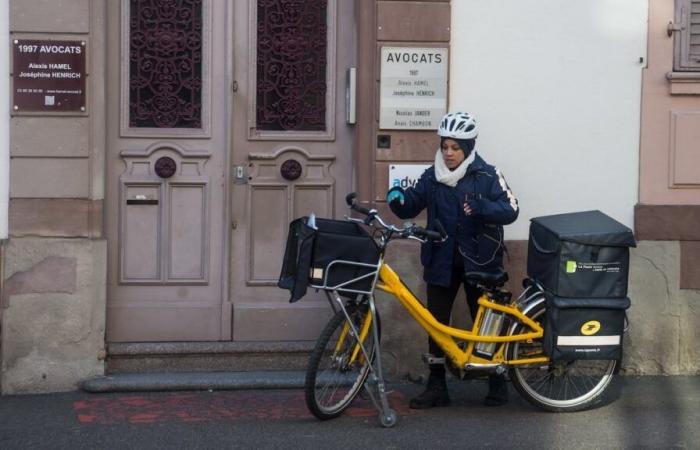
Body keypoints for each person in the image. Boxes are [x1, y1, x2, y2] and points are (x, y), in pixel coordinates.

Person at [386, 111, 519, 408]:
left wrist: (483, 206)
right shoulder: (432, 176)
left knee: (485, 322)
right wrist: (397, 198)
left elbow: (511, 209)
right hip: (441, 259)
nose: (448, 153)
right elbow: (410, 206)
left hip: (480, 262)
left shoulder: (487, 175)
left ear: (468, 148)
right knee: (436, 325)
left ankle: (497, 382)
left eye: (455, 148)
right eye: (445, 146)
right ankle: (437, 387)